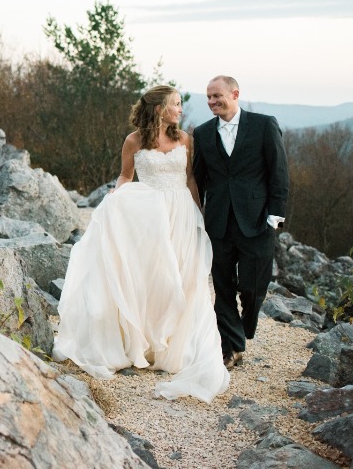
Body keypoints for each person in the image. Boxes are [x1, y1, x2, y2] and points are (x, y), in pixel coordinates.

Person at [53, 85, 229, 404]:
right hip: (148, 216)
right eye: (175, 104)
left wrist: (199, 213)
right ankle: (145, 343)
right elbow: (125, 176)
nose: (180, 109)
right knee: (152, 277)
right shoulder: (133, 141)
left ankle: (172, 345)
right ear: (160, 109)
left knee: (185, 279)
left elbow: (190, 179)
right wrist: (115, 195)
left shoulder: (184, 139)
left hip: (182, 215)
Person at [192, 76, 289, 369]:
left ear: (235, 94)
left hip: (258, 221)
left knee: (252, 285)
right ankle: (230, 347)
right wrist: (197, 214)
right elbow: (198, 177)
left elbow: (279, 172)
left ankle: (247, 323)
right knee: (223, 287)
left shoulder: (263, 125)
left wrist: (276, 218)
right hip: (219, 222)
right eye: (208, 97)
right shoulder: (203, 132)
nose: (211, 102)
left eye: (217, 96)